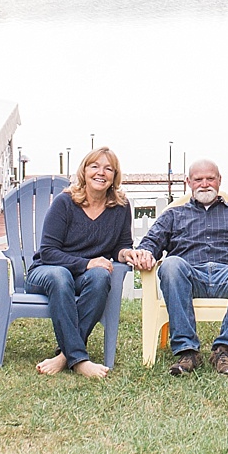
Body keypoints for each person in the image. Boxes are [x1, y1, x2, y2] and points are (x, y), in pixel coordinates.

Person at [128, 159, 228, 376]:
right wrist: (144, 253)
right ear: (188, 182)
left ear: (219, 180)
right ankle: (188, 352)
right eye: (198, 179)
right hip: (190, 276)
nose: (204, 184)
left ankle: (224, 350)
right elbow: (150, 243)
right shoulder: (174, 215)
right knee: (170, 264)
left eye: (210, 178)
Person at [27, 146, 143, 379]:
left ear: (114, 176)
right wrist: (87, 263)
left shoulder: (120, 207)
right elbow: (48, 252)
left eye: (108, 169)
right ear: (84, 171)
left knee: (101, 277)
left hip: (82, 277)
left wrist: (125, 254)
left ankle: (65, 356)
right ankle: (79, 359)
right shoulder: (65, 202)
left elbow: (120, 245)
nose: (101, 173)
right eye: (95, 166)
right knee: (61, 276)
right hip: (46, 272)